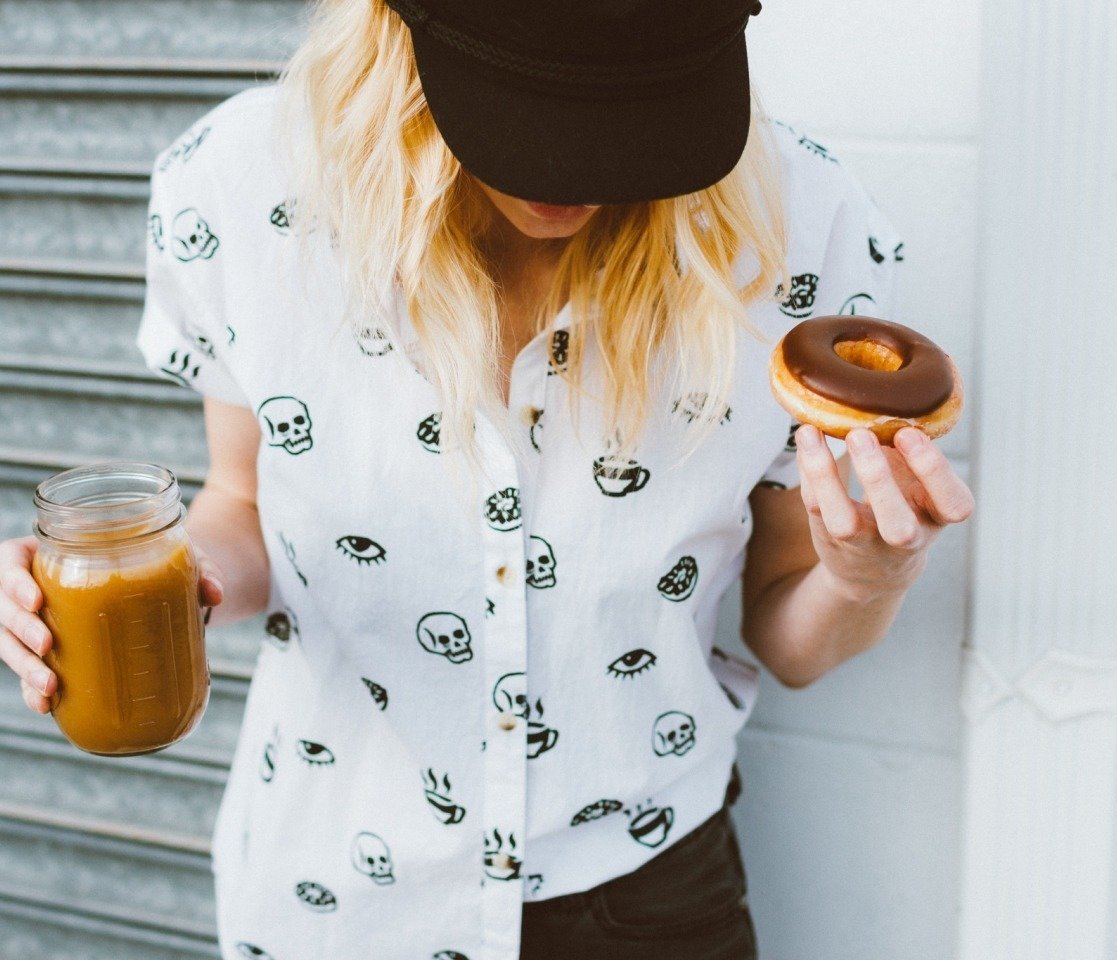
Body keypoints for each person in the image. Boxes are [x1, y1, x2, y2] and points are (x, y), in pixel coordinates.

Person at [0, 0, 974, 958]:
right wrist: (165, 579)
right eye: (531, 106)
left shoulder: (800, 230)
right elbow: (242, 504)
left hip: (646, 897)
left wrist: (865, 576)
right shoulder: (243, 190)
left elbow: (789, 641)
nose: (573, 173)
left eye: (626, 112)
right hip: (341, 897)